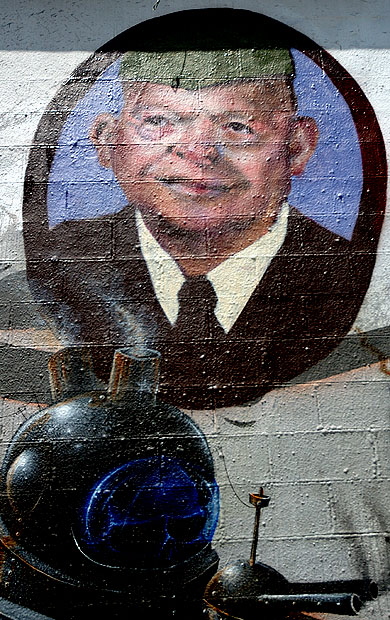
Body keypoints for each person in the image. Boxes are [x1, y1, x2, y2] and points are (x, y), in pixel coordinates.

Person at [26, 38, 370, 409]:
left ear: (297, 147)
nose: (199, 151)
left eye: (238, 126)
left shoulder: (345, 271)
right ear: (108, 143)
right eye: (159, 122)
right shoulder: (60, 264)